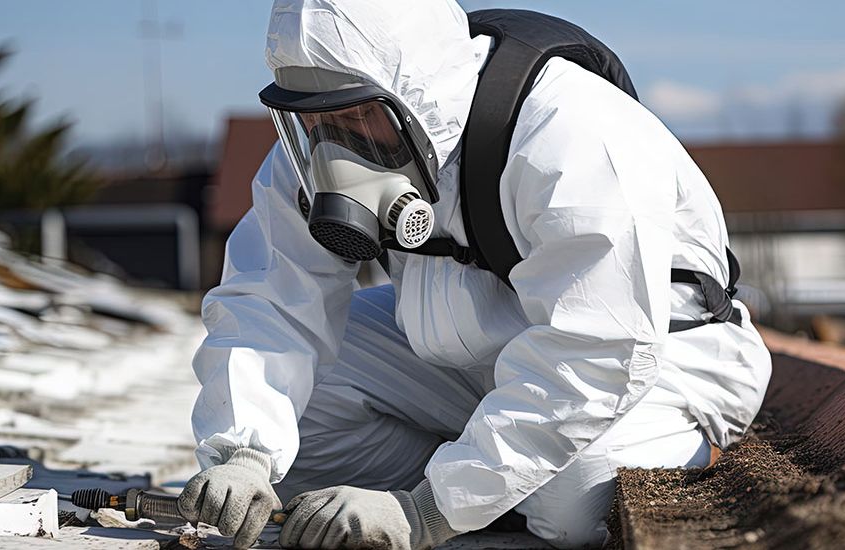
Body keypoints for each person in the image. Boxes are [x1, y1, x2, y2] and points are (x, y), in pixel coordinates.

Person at [179, 1, 772, 548]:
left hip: (656, 357)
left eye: (359, 114)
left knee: (573, 508)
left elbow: (597, 346)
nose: (335, 144)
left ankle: (588, 463)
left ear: (419, 92)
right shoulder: (314, 144)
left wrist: (429, 513)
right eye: (315, 118)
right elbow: (272, 296)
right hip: (462, 354)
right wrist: (244, 452)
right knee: (295, 435)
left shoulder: (572, 134)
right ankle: (492, 475)